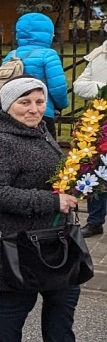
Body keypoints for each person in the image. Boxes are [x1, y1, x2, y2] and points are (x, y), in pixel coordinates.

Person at [0, 77, 105, 342]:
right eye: (25, 102)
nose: (34, 109)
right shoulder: (0, 141)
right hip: (13, 239)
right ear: (8, 106)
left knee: (64, 296)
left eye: (39, 101)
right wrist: (51, 200)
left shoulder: (40, 130)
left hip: (50, 236)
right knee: (17, 301)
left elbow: (50, 176)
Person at [2, 12, 70, 132]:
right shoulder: (48, 55)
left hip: (14, 112)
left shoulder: (11, 55)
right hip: (41, 112)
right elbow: (58, 86)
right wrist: (62, 104)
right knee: (46, 148)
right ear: (48, 33)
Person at [72, 24, 107, 235]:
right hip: (99, 122)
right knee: (96, 172)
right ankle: (95, 222)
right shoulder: (99, 56)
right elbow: (78, 86)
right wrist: (102, 88)